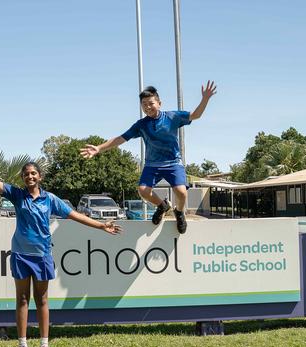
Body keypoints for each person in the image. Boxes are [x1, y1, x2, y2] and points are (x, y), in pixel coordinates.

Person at [0, 150, 121, 347]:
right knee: (22, 299)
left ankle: (44, 346)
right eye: (26, 174)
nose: (30, 177)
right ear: (23, 178)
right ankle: (22, 346)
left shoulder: (51, 199)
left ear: (40, 177)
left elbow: (75, 215)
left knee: (42, 300)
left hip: (42, 255)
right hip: (21, 255)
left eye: (33, 174)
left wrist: (101, 226)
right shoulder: (17, 195)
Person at [80, 81, 217, 234]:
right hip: (152, 165)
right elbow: (121, 138)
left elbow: (195, 115)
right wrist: (98, 148)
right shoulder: (141, 124)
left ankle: (179, 212)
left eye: (150, 103)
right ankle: (163, 206)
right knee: (143, 190)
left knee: (181, 192)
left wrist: (205, 98)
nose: (147, 107)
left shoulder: (172, 117)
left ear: (159, 103)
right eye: (144, 104)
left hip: (173, 163)